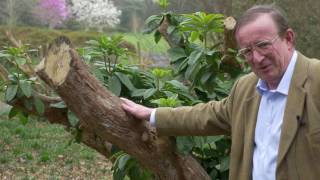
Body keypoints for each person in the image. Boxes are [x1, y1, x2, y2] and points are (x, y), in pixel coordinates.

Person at [121, 4, 320, 180]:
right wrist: (152, 114)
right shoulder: (246, 88)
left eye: (263, 45)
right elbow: (207, 115)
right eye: (247, 52)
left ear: (288, 38)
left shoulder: (316, 79)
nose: (257, 58)